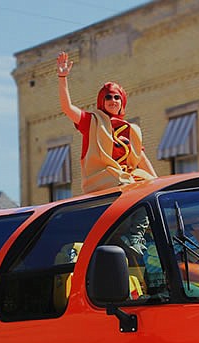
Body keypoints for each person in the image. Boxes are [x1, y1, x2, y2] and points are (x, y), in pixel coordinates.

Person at [57, 51, 157, 256]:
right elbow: (67, 108)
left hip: (126, 179)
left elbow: (140, 159)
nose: (113, 100)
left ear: (122, 102)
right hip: (103, 178)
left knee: (148, 190)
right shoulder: (92, 121)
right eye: (108, 97)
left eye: (117, 97)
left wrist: (157, 183)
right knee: (131, 191)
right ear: (102, 101)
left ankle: (135, 237)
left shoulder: (132, 129)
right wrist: (62, 78)